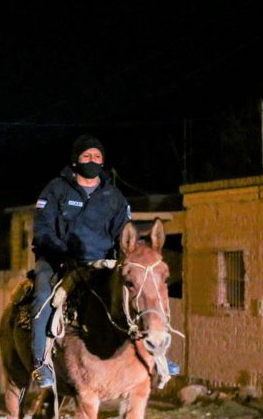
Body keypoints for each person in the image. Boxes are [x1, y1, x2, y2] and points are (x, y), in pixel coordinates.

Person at [29, 134, 179, 387]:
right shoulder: (56, 189)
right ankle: (40, 363)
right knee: (43, 297)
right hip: (59, 260)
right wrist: (63, 253)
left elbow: (124, 232)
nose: (92, 160)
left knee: (141, 294)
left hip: (102, 263)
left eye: (97, 157)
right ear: (75, 161)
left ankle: (159, 356)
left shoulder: (114, 196)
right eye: (86, 156)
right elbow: (43, 228)